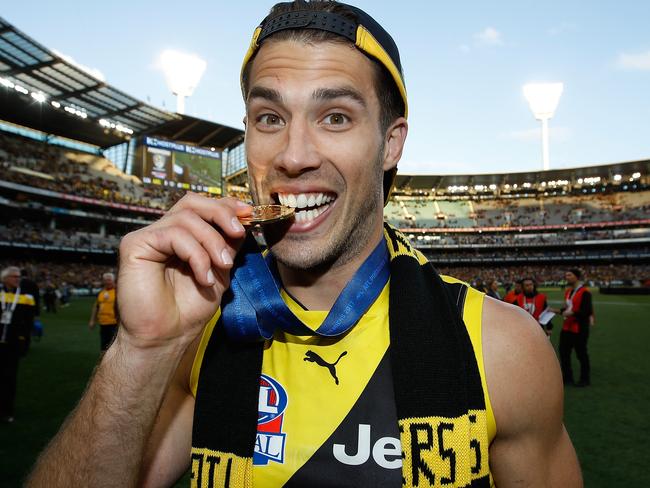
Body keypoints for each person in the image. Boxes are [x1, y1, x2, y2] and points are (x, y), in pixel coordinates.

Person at [28, 2, 581, 487]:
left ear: (390, 144)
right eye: (270, 117)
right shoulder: (199, 333)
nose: (293, 155)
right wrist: (140, 351)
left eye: (335, 117)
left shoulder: (501, 348)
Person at [0, 266, 38, 423]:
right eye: (14, 277)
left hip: (13, 344)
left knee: (9, 378)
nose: (18, 279)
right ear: (5, 278)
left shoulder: (26, 296)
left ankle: (7, 411)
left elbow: (29, 322)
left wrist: (24, 342)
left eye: (19, 277)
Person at [557, 269, 593, 387]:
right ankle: (568, 378)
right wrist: (556, 311)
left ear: (576, 277)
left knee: (581, 354)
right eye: (566, 274)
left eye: (569, 275)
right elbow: (568, 308)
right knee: (564, 353)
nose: (566, 277)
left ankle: (584, 379)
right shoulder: (568, 291)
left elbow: (587, 311)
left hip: (579, 328)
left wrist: (572, 314)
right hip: (567, 327)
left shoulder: (585, 292)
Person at [88, 272, 119, 352]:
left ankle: (115, 363)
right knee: (104, 347)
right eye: (105, 280)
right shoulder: (101, 293)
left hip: (114, 324)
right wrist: (92, 320)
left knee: (114, 347)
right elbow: (96, 307)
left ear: (113, 281)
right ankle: (104, 362)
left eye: (109, 280)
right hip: (103, 324)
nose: (107, 282)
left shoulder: (118, 292)